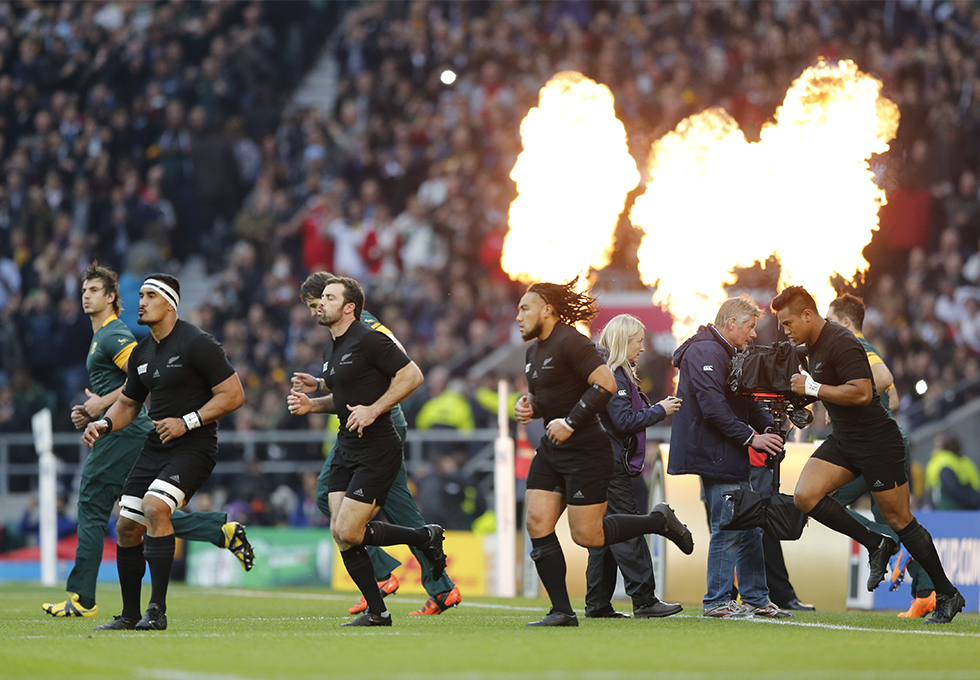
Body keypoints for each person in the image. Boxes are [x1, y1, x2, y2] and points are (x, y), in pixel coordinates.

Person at [43, 263, 253, 620]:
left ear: (170, 304)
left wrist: (187, 422)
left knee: (155, 507)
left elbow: (234, 395)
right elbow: (127, 403)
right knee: (126, 525)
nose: (140, 302)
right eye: (140, 295)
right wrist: (104, 425)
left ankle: (155, 610)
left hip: (194, 446)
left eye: (150, 296)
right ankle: (128, 615)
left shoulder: (197, 343)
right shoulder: (142, 352)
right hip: (156, 443)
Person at [773, 285, 965, 624]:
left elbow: (863, 392)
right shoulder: (812, 347)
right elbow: (826, 389)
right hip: (845, 440)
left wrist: (814, 389)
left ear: (807, 315)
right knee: (805, 495)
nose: (785, 331)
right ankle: (875, 542)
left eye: (788, 323)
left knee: (900, 520)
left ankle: (947, 593)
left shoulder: (842, 340)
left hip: (877, 442)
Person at [513, 279, 694, 628]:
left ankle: (657, 523)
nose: (518, 315)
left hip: (585, 449)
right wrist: (529, 407)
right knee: (537, 521)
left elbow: (604, 386)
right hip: (554, 448)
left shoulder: (573, 342)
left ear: (547, 309)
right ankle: (564, 611)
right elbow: (548, 398)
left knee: (589, 534)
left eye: (525, 308)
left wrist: (569, 421)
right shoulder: (533, 352)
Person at [290, 272, 461, 616]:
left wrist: (375, 409)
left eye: (317, 303)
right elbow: (350, 377)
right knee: (396, 507)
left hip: (379, 424)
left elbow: (396, 368)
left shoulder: (364, 328)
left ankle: (383, 572)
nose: (314, 311)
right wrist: (320, 386)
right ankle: (439, 587)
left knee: (335, 499)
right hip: (362, 423)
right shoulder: (338, 337)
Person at [668, 295, 790, 619]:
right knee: (728, 525)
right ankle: (718, 601)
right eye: (749, 327)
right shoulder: (705, 351)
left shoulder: (727, 351)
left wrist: (768, 425)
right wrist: (753, 438)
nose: (753, 335)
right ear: (731, 323)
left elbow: (746, 402)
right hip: (713, 453)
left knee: (748, 525)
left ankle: (756, 599)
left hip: (724, 452)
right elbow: (713, 408)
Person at [826, 293, 935, 618]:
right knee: (897, 519)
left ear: (846, 323)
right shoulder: (864, 351)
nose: (826, 328)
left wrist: (850, 399)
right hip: (888, 441)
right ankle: (926, 592)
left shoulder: (855, 348)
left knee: (821, 498)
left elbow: (886, 379)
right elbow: (896, 398)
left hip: (871, 448)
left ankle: (887, 544)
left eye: (831, 321)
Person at [585, 314, 684, 619]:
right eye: (639, 341)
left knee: (604, 533)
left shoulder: (614, 373)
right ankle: (644, 599)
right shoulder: (614, 374)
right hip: (609, 464)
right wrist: (660, 410)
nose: (643, 347)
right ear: (623, 341)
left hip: (601, 464)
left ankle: (598, 603)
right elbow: (624, 421)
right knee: (627, 529)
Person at [925, 435, 980, 510]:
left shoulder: (941, 461)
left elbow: (953, 488)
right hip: (966, 503)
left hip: (950, 507)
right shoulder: (965, 460)